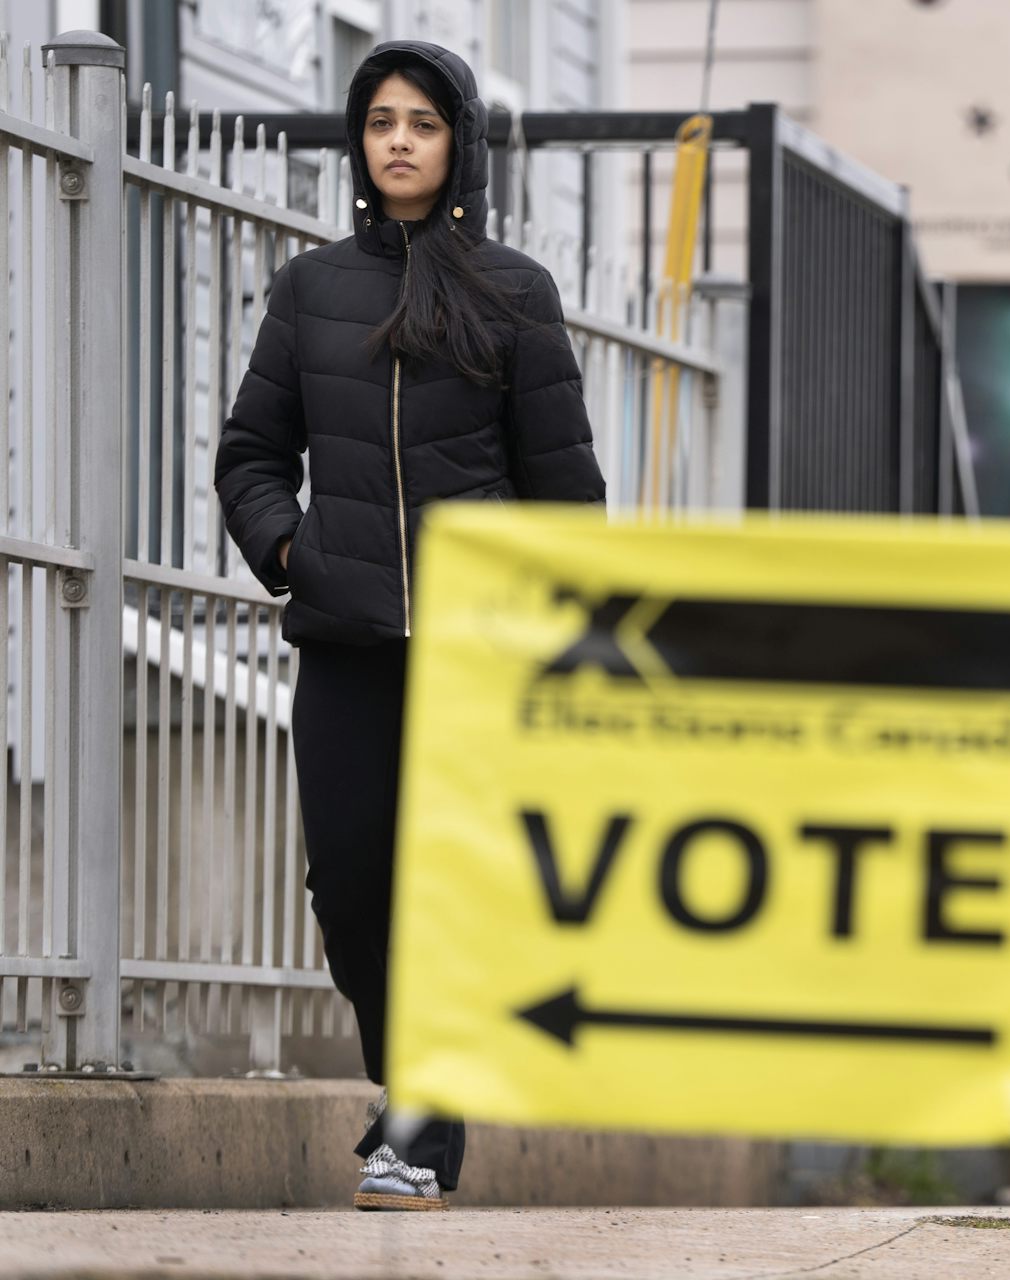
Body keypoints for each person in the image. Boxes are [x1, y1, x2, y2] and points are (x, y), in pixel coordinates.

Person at [215, 41, 605, 1211]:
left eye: (422, 123)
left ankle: (424, 1127)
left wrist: (546, 632)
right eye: (380, 120)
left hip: (476, 652)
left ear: (458, 143)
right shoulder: (311, 288)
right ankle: (414, 1083)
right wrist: (291, 549)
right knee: (348, 882)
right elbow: (248, 453)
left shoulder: (514, 293)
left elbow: (567, 497)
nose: (398, 140)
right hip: (344, 644)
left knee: (448, 884)